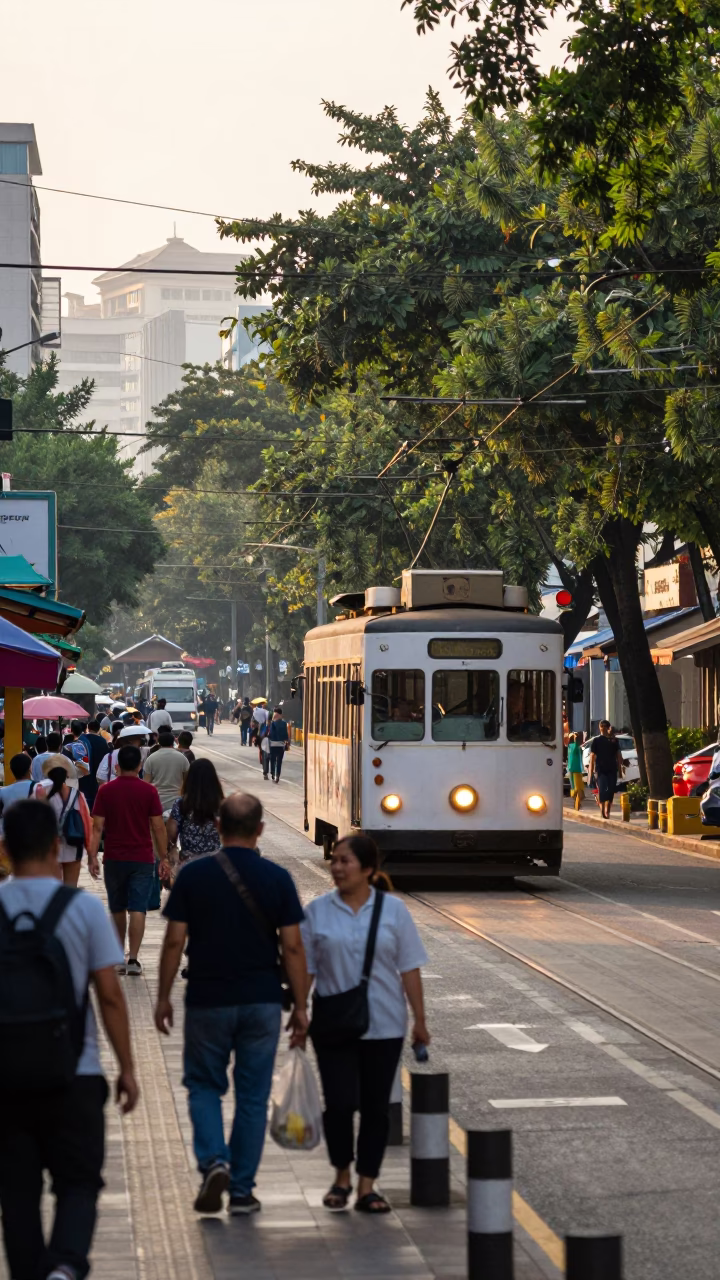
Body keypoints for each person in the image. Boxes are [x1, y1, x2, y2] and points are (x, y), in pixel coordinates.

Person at [0, 800, 138, 1280]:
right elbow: (110, 996)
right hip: (74, 1073)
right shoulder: (80, 907)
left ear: (3, 850)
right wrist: (127, 1069)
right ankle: (64, 1266)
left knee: (15, 1193)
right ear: (57, 846)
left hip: (6, 1079)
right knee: (78, 1183)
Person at [155, 793, 308, 1216]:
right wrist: (300, 1007)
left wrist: (164, 996)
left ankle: (214, 1162)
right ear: (261, 829)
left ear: (218, 826)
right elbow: (293, 950)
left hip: (208, 997)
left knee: (204, 1086)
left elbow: (173, 941)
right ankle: (241, 1190)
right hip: (261, 1001)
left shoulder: (195, 876)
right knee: (253, 1096)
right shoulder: (277, 878)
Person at [301, 834, 429, 1215]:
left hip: (385, 1024)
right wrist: (298, 1012)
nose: (336, 868)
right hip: (333, 1023)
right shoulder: (318, 911)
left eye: (345, 862)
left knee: (375, 1109)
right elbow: (306, 967)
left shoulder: (394, 911)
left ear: (369, 869)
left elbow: (409, 967)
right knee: (339, 1105)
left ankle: (367, 1186)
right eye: (335, 861)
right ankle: (341, 1177)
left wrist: (420, 1020)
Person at [89, 745, 170, 976]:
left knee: (117, 908)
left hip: (114, 858)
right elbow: (157, 826)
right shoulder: (149, 791)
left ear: (116, 766)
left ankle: (117, 957)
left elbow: (97, 827)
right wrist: (163, 858)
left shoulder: (105, 791)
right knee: (137, 908)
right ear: (140, 766)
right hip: (143, 858)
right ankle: (133, 960)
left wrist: (93, 855)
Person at [35, 755, 93, 888]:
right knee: (69, 893)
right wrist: (91, 854)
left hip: (47, 848)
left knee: (51, 892)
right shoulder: (78, 795)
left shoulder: (39, 791)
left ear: (47, 772)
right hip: (73, 846)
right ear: (67, 773)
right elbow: (86, 824)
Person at [167, 759, 223, 865]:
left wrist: (172, 847)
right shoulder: (221, 804)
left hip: (188, 861)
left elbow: (171, 833)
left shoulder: (181, 803)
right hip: (215, 861)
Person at [143, 730, 190, 815]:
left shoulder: (151, 758)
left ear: (159, 742)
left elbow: (146, 783)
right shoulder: (182, 758)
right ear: (173, 742)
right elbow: (187, 781)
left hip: (157, 800)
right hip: (177, 801)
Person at [586, 719, 625, 818]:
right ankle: (602, 809)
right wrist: (591, 773)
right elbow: (592, 757)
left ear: (608, 728)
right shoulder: (597, 740)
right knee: (603, 789)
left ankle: (608, 809)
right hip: (600, 769)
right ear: (599, 728)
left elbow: (618, 756)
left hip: (612, 769)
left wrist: (620, 771)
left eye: (604, 726)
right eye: (601, 726)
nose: (603, 728)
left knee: (611, 790)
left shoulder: (614, 741)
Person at [76, 719, 111, 810]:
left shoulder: (82, 739)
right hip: (98, 771)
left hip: (84, 771)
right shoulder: (102, 741)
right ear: (98, 729)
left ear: (88, 728)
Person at [266, 707, 290, 784]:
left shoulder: (273, 723)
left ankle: (273, 774)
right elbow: (286, 735)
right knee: (279, 761)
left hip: (273, 745)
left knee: (272, 760)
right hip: (281, 745)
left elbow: (270, 734)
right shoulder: (284, 723)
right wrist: (286, 742)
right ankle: (277, 776)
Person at [567, 732, 585, 810]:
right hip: (573, 769)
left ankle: (577, 802)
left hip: (576, 769)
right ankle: (576, 802)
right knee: (574, 787)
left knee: (577, 787)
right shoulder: (571, 746)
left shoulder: (577, 747)